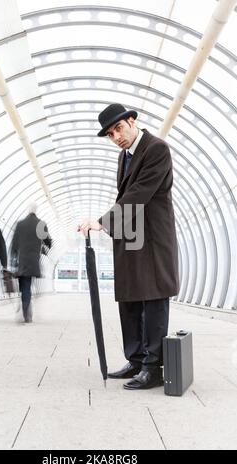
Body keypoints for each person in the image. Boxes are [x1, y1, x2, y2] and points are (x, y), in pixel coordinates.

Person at [78, 103, 179, 390]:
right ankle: (135, 360)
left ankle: (152, 367)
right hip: (132, 237)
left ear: (132, 121)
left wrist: (103, 221)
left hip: (154, 239)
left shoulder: (157, 148)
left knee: (154, 298)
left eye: (119, 128)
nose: (116, 137)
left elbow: (139, 193)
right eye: (110, 134)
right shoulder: (125, 156)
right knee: (130, 298)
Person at [10, 203, 52, 323]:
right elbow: (48, 242)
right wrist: (43, 246)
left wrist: (12, 261)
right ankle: (27, 311)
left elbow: (14, 245)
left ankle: (25, 309)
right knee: (28, 286)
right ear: (36, 210)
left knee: (25, 286)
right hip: (33, 261)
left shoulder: (20, 224)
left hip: (22, 261)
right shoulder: (40, 224)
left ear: (28, 211)